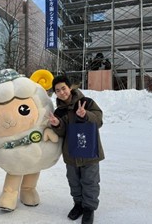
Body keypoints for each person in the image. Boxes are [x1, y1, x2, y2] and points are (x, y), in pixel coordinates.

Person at [48, 75, 104, 224]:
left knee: (90, 181)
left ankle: (89, 209)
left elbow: (99, 120)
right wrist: (56, 124)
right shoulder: (59, 112)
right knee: (74, 181)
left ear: (70, 87)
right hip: (71, 153)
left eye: (63, 88)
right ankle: (78, 205)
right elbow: (62, 133)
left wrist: (86, 115)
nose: (61, 92)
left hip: (89, 152)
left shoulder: (86, 102)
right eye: (57, 90)